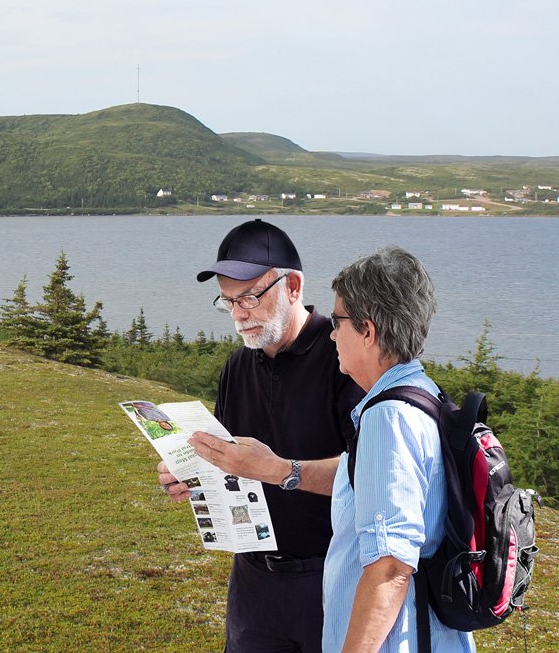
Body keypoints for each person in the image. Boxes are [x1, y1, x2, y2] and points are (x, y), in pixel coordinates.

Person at [157, 219, 365, 652]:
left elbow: (374, 475)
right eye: (228, 301)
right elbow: (229, 466)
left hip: (332, 577)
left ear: (293, 287)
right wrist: (190, 475)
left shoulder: (344, 359)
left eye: (250, 297)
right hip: (252, 582)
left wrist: (278, 471)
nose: (238, 314)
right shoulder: (236, 367)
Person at [322, 246, 473, 652]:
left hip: (401, 639)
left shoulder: (388, 417)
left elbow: (390, 567)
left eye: (337, 321)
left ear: (367, 331)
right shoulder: (424, 395)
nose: (332, 333)